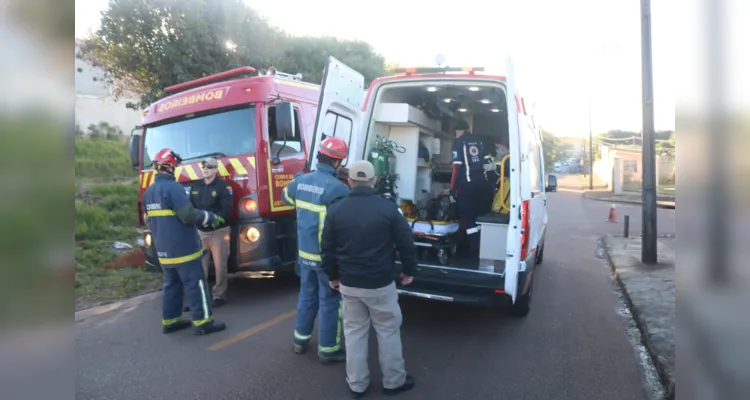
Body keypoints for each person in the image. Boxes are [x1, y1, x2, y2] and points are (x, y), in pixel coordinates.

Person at [321, 160, 417, 399]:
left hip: (350, 284)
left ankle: (357, 384)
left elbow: (327, 249)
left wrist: (333, 276)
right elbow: (406, 242)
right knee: (388, 331)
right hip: (381, 284)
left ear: (350, 181)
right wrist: (409, 270)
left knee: (354, 333)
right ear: (374, 181)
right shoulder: (388, 209)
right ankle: (394, 382)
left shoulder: (335, 210)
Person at [142, 148, 227, 336]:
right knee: (196, 283)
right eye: (176, 166)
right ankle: (203, 322)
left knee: (171, 284)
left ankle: (171, 320)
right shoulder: (173, 188)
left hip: (163, 250)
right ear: (171, 167)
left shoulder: (149, 192)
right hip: (183, 249)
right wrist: (209, 217)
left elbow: (149, 220)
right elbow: (188, 216)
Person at [282, 136, 351, 364]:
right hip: (326, 258)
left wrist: (301, 180)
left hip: (305, 255)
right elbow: (343, 225)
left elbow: (286, 197)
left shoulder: (300, 181)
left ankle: (299, 342)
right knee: (330, 301)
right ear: (337, 163)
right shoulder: (339, 189)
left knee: (307, 296)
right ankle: (328, 350)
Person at [185, 157, 233, 308]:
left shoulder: (224, 188)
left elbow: (226, 211)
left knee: (220, 266)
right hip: (201, 233)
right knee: (200, 267)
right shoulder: (195, 187)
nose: (206, 169)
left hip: (219, 231)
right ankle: (201, 296)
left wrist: (212, 220)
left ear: (216, 169)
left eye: (210, 167)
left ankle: (219, 295)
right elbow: (190, 208)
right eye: (204, 166)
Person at [449, 120, 494, 259]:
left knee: (467, 217)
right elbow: (489, 164)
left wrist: (452, 189)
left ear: (458, 131)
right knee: (479, 217)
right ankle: (484, 248)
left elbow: (456, 169)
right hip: (483, 186)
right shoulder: (480, 142)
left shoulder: (459, 142)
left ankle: (474, 253)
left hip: (468, 186)